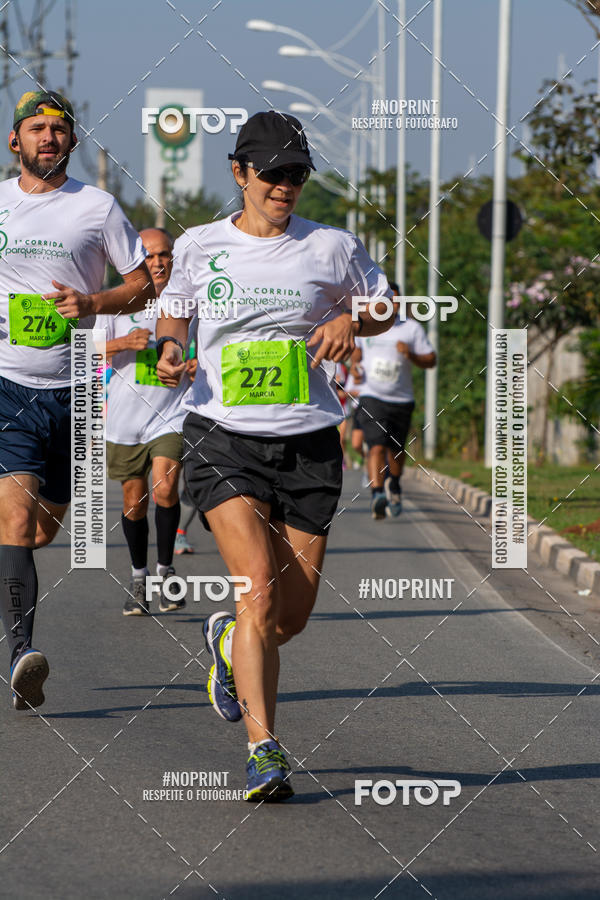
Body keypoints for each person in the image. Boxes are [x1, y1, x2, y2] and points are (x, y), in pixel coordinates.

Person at [155, 110, 395, 801]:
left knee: (289, 616)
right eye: (272, 173)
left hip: (310, 441)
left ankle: (230, 644)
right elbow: (174, 313)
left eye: (296, 174)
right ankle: (265, 750)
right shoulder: (200, 244)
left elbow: (385, 303)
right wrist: (171, 347)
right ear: (240, 172)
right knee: (257, 589)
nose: (285, 186)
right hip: (222, 433)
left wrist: (353, 317)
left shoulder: (332, 247)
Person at [0, 91, 152, 710]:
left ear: (72, 142)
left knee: (39, 530)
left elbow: (142, 285)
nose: (49, 138)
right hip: (8, 382)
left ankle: (11, 581)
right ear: (16, 140)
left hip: (78, 390)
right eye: (37, 128)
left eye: (59, 130)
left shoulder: (98, 207)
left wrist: (92, 305)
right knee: (13, 519)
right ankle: (20, 655)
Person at [98, 227, 194, 615]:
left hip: (171, 412)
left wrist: (194, 363)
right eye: (149, 256)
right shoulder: (118, 302)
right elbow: (83, 349)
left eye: (164, 255)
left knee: (167, 488)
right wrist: (124, 343)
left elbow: (205, 348)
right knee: (133, 502)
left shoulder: (187, 301)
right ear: (137, 261)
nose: (157, 262)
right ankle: (139, 577)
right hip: (125, 420)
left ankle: (166, 571)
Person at [352, 282, 436, 519]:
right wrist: (355, 367)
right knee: (376, 445)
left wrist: (410, 354)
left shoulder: (411, 329)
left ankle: (395, 484)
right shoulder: (365, 325)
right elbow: (355, 353)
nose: (392, 304)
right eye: (387, 300)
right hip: (372, 395)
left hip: (401, 399)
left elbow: (431, 360)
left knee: (396, 450)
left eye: (396, 300)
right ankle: (378, 493)